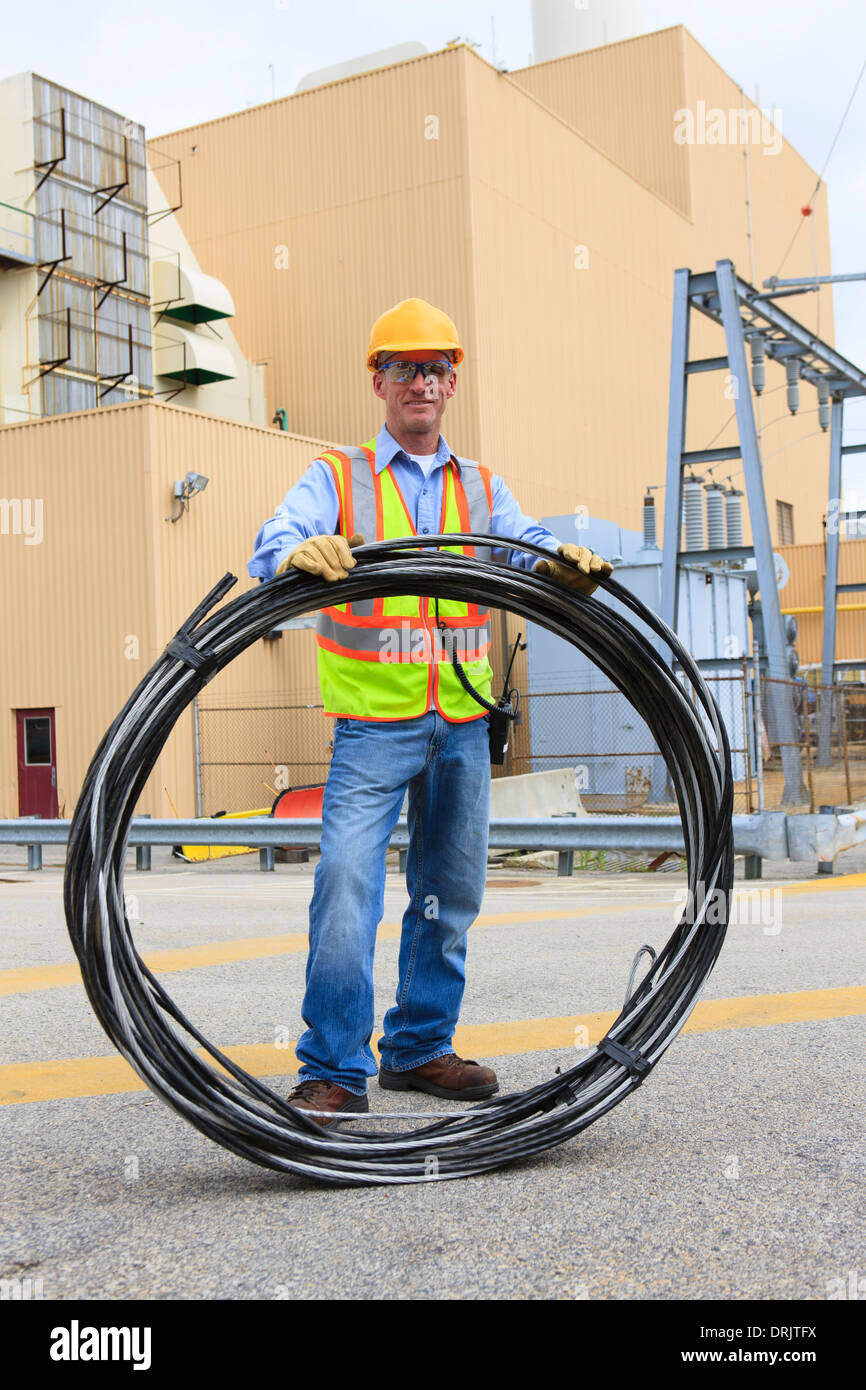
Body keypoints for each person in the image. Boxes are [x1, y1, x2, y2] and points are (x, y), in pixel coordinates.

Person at [248, 298, 612, 1125]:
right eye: (403, 367)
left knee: (450, 889)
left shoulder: (482, 487)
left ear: (452, 382)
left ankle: (417, 1048)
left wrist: (564, 562)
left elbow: (528, 543)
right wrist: (292, 551)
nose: (420, 381)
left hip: (462, 722)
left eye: (435, 368)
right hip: (375, 724)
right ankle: (334, 1068)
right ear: (377, 380)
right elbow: (275, 539)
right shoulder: (338, 478)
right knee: (345, 883)